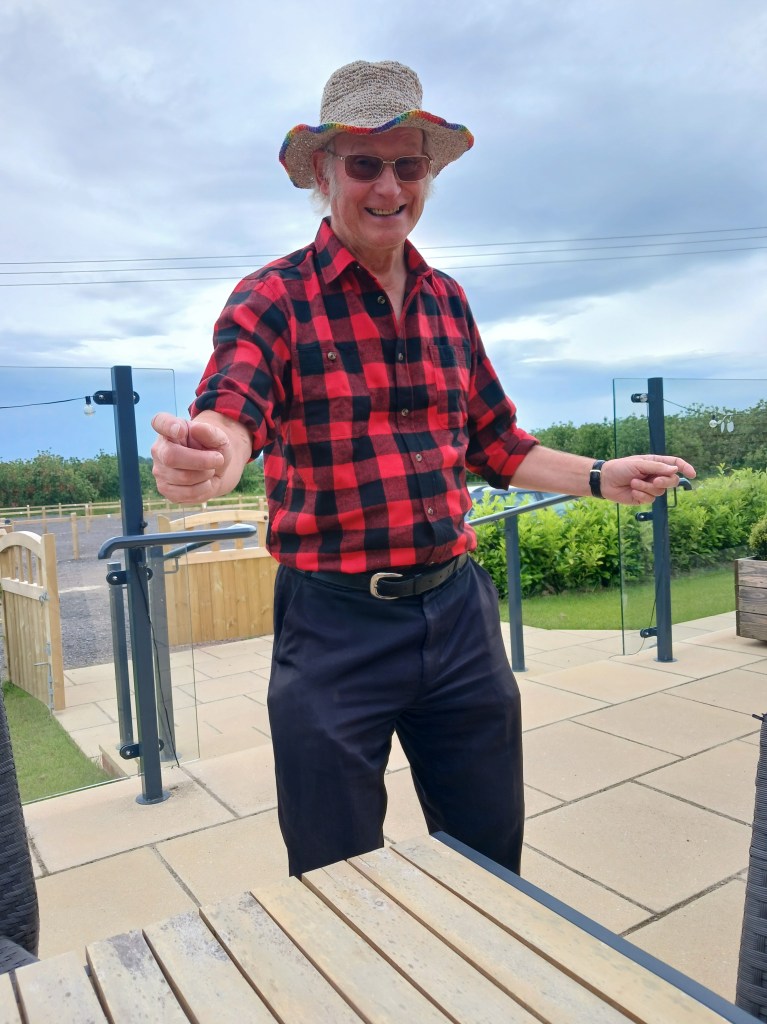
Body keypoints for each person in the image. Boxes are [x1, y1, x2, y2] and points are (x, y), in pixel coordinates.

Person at [151, 59, 695, 877]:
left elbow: (496, 445)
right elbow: (233, 406)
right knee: (336, 873)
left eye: (407, 164)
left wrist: (598, 475)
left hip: (458, 614)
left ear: (428, 175)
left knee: (489, 852)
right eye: (365, 164)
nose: (386, 186)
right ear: (325, 174)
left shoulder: (447, 301)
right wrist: (212, 453)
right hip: (332, 625)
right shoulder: (272, 299)